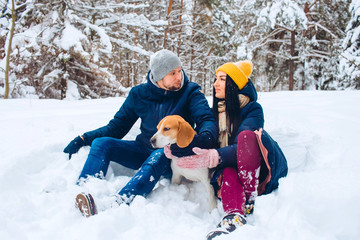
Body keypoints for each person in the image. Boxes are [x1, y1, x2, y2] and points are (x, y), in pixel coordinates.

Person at [63, 49, 218, 217]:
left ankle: (120, 200)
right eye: (172, 73)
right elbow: (116, 127)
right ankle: (84, 192)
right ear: (159, 76)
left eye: (179, 71)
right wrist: (84, 138)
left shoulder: (191, 92)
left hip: (171, 154)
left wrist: (204, 138)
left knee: (159, 154)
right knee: (102, 143)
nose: (179, 77)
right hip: (142, 148)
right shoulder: (139, 94)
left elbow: (206, 119)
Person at [164, 60, 288, 239]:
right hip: (232, 167)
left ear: (234, 84)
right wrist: (178, 149)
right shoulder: (217, 112)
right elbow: (205, 139)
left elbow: (244, 146)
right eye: (215, 79)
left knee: (247, 136)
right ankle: (234, 215)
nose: (215, 84)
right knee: (228, 172)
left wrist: (215, 156)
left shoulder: (252, 109)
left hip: (259, 171)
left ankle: (249, 196)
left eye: (222, 79)